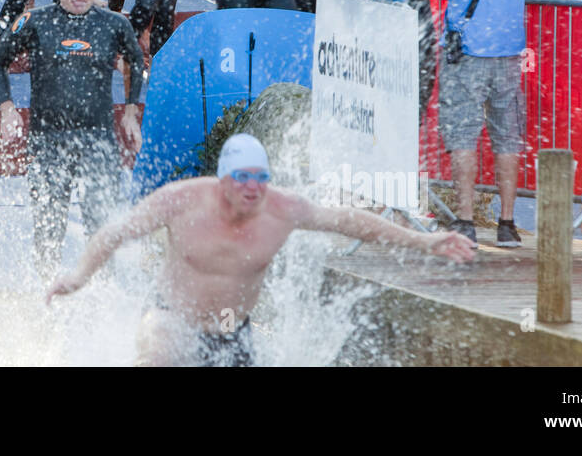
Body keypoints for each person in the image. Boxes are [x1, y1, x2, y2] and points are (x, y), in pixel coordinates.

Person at [46, 132, 475, 365]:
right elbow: (115, 232)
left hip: (232, 329)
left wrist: (425, 240)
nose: (253, 188)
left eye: (260, 177)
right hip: (170, 312)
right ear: (222, 180)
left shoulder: (282, 209)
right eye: (242, 178)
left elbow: (348, 219)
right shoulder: (182, 199)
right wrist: (79, 275)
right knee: (157, 353)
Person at [0, 0, 144, 277]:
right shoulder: (35, 21)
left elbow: (135, 59)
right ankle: (46, 296)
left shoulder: (114, 24)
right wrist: (6, 107)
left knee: (101, 226)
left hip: (97, 138)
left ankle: (104, 295)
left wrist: (131, 110)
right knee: (49, 227)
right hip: (48, 140)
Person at [425, 0, 536, 247]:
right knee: (507, 136)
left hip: (467, 46)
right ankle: (507, 224)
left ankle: (467, 220)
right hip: (509, 46)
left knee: (463, 136)